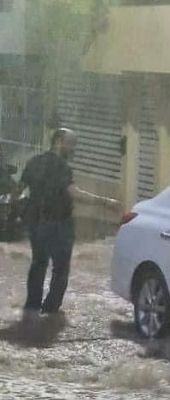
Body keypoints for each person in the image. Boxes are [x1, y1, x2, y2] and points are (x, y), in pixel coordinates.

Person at [21, 128, 118, 315]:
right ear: (58, 141)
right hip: (58, 224)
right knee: (61, 268)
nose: (73, 148)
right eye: (71, 143)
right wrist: (106, 202)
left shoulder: (34, 161)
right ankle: (50, 309)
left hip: (37, 223)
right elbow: (74, 193)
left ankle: (32, 307)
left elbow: (23, 189)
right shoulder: (61, 167)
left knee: (38, 263)